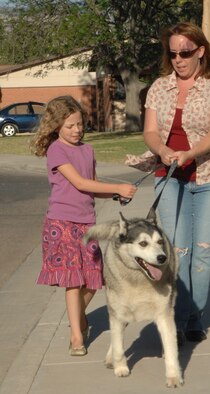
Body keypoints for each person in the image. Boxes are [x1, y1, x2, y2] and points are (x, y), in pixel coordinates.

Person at [126, 22, 210, 346]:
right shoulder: (159, 88)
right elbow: (149, 132)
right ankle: (176, 320)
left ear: (201, 51)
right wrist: (162, 151)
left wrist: (189, 153)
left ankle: (192, 318)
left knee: (202, 251)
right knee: (176, 251)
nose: (178, 59)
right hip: (170, 176)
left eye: (185, 52)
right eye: (173, 53)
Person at [30, 96, 137, 356]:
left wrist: (114, 194)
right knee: (73, 282)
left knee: (92, 281)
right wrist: (118, 186)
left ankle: (79, 318)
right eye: (70, 126)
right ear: (57, 126)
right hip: (61, 222)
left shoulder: (87, 150)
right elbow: (80, 183)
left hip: (86, 224)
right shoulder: (57, 149)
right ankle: (76, 336)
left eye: (80, 124)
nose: (77, 130)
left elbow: (92, 187)